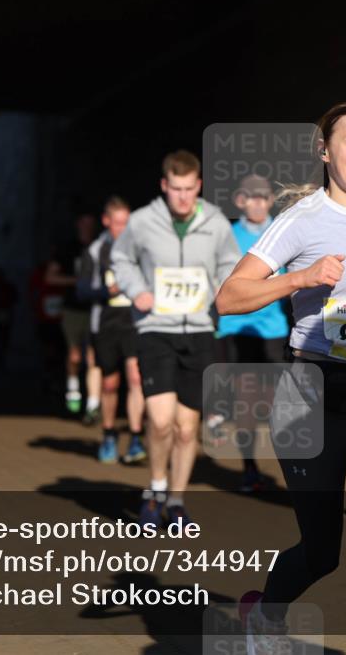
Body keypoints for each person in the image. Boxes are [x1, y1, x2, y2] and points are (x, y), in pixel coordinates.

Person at [215, 103, 346, 655]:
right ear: (325, 151)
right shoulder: (301, 220)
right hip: (311, 397)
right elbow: (230, 297)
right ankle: (264, 612)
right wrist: (302, 278)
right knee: (323, 550)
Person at [111, 149, 241, 527]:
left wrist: (222, 289)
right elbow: (121, 259)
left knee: (187, 428)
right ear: (164, 186)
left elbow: (230, 262)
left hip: (200, 330)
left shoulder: (216, 222)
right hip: (156, 329)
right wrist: (137, 290)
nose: (183, 197)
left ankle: (177, 500)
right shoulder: (141, 222)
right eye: (176, 189)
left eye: (189, 189)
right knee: (161, 421)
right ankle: (154, 488)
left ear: (198, 186)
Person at [214, 174, 290, 492]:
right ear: (240, 201)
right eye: (251, 197)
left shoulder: (283, 233)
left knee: (276, 402)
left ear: (271, 201)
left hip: (274, 330)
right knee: (246, 399)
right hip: (236, 329)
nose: (258, 203)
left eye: (264, 197)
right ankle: (249, 468)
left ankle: (296, 473)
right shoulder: (227, 237)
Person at [78, 196, 146, 465]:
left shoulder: (139, 249)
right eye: (118, 223)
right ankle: (108, 434)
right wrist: (109, 290)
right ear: (106, 221)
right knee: (109, 383)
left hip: (133, 321)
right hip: (105, 324)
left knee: (136, 378)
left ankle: (136, 438)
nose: (123, 228)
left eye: (126, 223)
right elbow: (81, 290)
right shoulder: (95, 251)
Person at [49, 214, 103, 421]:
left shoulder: (101, 247)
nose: (87, 227)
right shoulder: (67, 249)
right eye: (84, 223)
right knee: (74, 356)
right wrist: (78, 281)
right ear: (78, 224)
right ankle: (73, 388)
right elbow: (50, 276)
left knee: (92, 357)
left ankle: (92, 404)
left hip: (95, 309)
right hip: (73, 309)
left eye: (91, 223)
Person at [29, 255, 67, 391]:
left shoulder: (63, 273)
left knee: (60, 350)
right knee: (48, 350)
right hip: (45, 320)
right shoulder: (39, 274)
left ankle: (57, 377)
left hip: (59, 320)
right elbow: (33, 293)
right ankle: (49, 375)